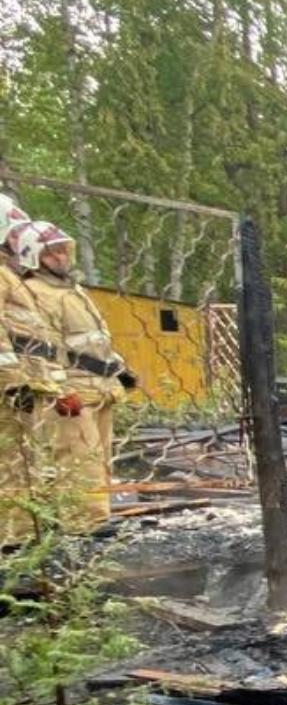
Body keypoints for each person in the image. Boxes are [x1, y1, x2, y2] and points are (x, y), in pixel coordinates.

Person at [16, 221, 135, 529]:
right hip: (73, 389)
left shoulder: (73, 289)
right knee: (78, 459)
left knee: (100, 458)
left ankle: (97, 517)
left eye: (63, 250)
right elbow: (41, 346)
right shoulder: (35, 293)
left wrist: (119, 370)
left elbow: (93, 339)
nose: (61, 257)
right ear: (33, 256)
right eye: (52, 252)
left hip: (99, 387)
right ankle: (83, 525)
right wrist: (58, 390)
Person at [0, 198, 73, 543]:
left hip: (29, 381)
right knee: (13, 460)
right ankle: (18, 538)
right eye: (15, 234)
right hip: (12, 386)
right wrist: (13, 382)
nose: (21, 241)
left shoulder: (11, 276)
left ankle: (34, 529)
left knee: (31, 456)